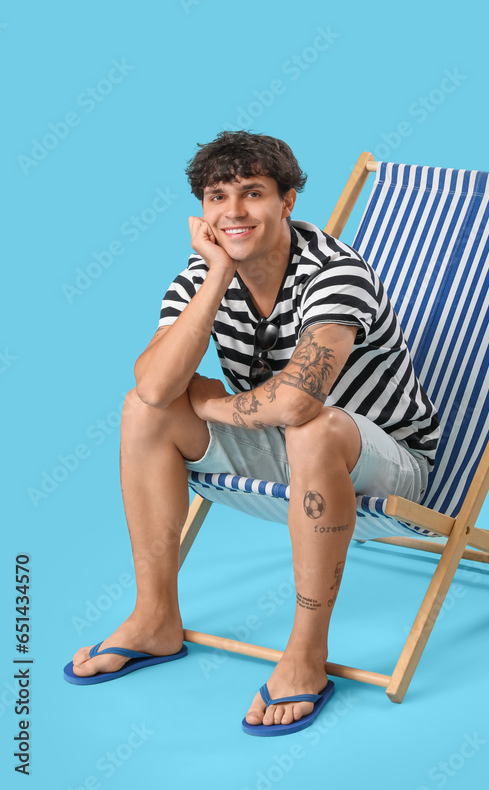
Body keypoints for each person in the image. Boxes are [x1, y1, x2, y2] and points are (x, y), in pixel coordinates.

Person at [64, 130, 440, 734]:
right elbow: (156, 387)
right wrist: (216, 275)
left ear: (288, 201)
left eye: (252, 193)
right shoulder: (203, 271)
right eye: (217, 197)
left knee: (314, 429)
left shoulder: (337, 273)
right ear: (202, 212)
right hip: (285, 445)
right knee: (143, 411)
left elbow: (296, 404)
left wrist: (215, 405)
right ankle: (156, 617)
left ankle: (307, 654)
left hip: (387, 459)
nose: (234, 212)